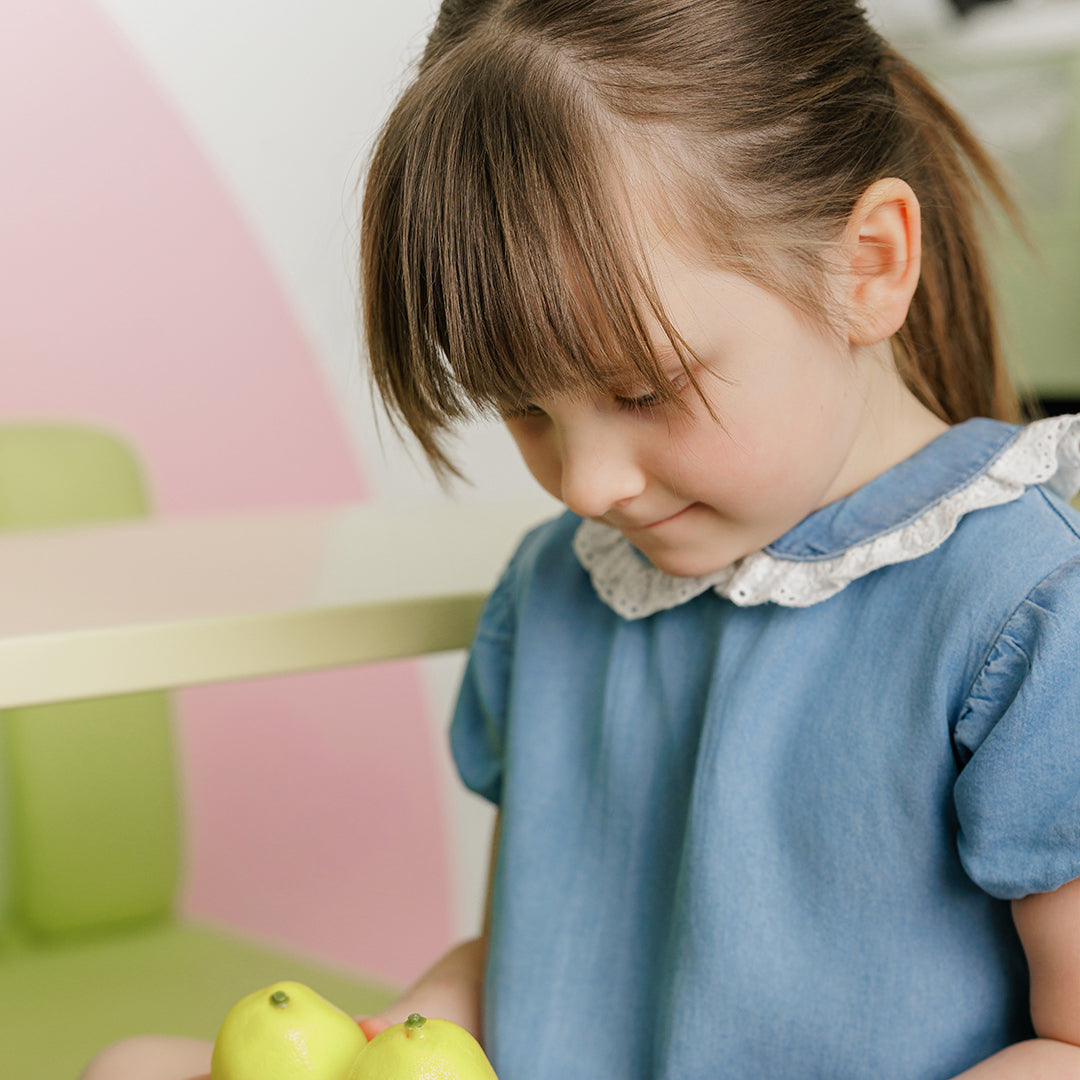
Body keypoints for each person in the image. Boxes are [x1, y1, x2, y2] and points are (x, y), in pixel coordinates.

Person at [83, 1, 1080, 1078]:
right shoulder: (561, 591)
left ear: (869, 266)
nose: (587, 483)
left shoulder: (1022, 609)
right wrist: (419, 1025)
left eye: (643, 389)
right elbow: (537, 966)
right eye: (524, 410)